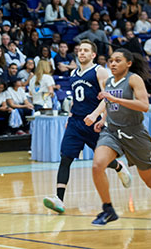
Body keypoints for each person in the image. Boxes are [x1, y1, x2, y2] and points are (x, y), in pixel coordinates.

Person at [84, 49, 151, 230]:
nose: (113, 64)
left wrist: (113, 98)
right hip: (112, 132)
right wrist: (98, 117)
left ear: (128, 63)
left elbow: (144, 106)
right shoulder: (110, 80)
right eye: (111, 60)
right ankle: (108, 209)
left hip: (135, 135)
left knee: (150, 181)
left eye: (118, 60)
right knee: (97, 165)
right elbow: (107, 102)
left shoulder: (134, 79)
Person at [42, 40, 131, 214]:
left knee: (101, 160)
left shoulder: (100, 71)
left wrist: (97, 115)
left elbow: (109, 96)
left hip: (93, 123)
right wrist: (69, 116)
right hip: (75, 122)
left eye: (85, 50)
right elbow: (76, 99)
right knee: (65, 157)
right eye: (79, 50)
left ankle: (118, 166)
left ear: (93, 55)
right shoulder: (74, 73)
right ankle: (59, 199)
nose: (81, 53)